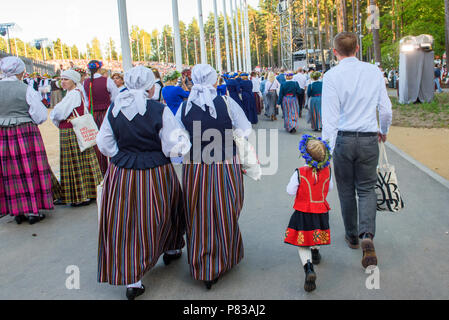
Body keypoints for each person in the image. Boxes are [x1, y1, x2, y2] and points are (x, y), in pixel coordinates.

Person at [96, 66, 191, 300]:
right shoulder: (159, 110)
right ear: (151, 86)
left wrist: (126, 152)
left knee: (125, 221)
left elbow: (105, 144)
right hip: (155, 170)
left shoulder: (114, 109)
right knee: (164, 210)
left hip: (122, 172)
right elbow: (175, 145)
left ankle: (133, 279)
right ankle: (171, 247)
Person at [175, 64, 252, 290]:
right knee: (226, 207)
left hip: (194, 166)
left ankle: (203, 263)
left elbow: (177, 137)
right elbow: (245, 129)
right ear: (213, 80)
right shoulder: (227, 103)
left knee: (197, 212)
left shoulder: (183, 107)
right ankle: (223, 256)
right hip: (225, 162)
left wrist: (191, 144)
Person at [322, 32, 392, 269]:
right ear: (358, 48)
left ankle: (352, 236)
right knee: (366, 188)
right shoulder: (374, 71)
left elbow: (330, 119)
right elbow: (385, 109)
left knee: (346, 190)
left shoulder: (331, 76)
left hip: (343, 138)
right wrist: (383, 130)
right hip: (368, 138)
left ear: (335, 52)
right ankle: (367, 236)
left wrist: (325, 149)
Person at [0, 56, 54, 225]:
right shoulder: (25, 89)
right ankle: (33, 210)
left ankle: (16, 210)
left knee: (9, 172)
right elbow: (39, 115)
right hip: (25, 132)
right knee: (30, 169)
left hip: (2, 133)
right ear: (21, 71)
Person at [284, 135, 332, 292]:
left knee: (303, 243)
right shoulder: (327, 172)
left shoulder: (300, 172)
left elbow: (290, 191)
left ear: (305, 155)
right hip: (320, 211)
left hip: (303, 212)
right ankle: (316, 252)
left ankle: (309, 268)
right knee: (316, 233)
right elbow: (329, 188)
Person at [50, 70, 103, 207]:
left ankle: (81, 195)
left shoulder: (73, 94)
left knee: (75, 162)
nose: (63, 82)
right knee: (83, 160)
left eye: (66, 79)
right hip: (75, 130)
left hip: (71, 132)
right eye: (62, 79)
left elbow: (59, 113)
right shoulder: (75, 93)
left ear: (73, 80)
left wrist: (55, 114)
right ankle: (88, 192)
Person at [83, 60, 119, 176]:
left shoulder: (86, 82)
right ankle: (112, 168)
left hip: (92, 115)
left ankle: (100, 171)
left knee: (96, 142)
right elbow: (115, 98)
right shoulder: (107, 81)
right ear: (100, 68)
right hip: (106, 114)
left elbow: (86, 101)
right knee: (110, 138)